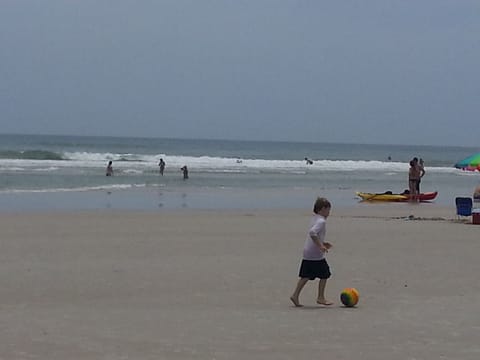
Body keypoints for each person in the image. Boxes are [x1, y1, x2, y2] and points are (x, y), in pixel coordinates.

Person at [290, 197, 333, 307]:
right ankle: (321, 297)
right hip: (315, 254)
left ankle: (295, 295)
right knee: (325, 274)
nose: (329, 213)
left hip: (308, 251)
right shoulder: (321, 221)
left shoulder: (315, 218)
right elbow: (313, 233)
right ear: (322, 209)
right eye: (328, 210)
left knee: (306, 275)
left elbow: (316, 235)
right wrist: (320, 246)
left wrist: (323, 243)